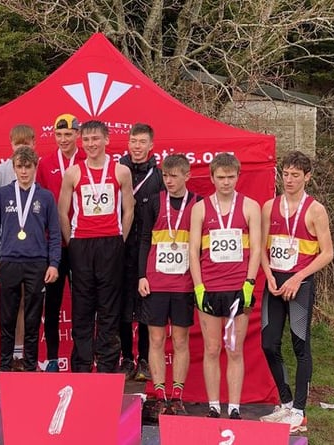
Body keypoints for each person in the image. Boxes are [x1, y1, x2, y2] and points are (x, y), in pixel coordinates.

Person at [259, 151, 334, 433]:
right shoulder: (270, 206)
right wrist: (267, 275)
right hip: (275, 281)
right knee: (268, 343)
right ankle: (287, 403)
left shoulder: (315, 210)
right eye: (285, 174)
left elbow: (327, 253)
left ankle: (300, 412)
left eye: (295, 175)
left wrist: (298, 277)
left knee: (300, 345)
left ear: (307, 177)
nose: (288, 180)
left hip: (299, 283)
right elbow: (261, 248)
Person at [189, 153, 261, 420]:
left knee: (234, 350)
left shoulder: (250, 206)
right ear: (212, 178)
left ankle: (234, 407)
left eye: (231, 177)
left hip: (237, 289)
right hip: (209, 288)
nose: (226, 182)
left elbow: (255, 249)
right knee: (211, 349)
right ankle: (213, 405)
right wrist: (198, 288)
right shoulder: (200, 209)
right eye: (221, 177)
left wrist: (249, 283)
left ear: (237, 176)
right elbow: (192, 251)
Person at [58, 120, 134, 373]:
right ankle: (80, 366)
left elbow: (129, 209)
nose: (91, 144)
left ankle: (107, 365)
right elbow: (62, 212)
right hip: (82, 244)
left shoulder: (121, 170)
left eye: (96, 139)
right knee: (82, 306)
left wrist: (119, 239)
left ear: (107, 140)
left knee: (109, 307)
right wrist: (72, 243)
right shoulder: (73, 173)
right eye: (87, 139)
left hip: (111, 243)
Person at [0, 146, 61, 388]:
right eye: (20, 167)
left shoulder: (46, 197)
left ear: (34, 168)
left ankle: (30, 368)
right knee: (7, 318)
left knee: (32, 319)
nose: (24, 172)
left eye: (28, 167)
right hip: (9, 261)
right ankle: (3, 368)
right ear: (14, 168)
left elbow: (55, 234)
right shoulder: (3, 194)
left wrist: (54, 264)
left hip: (36, 264)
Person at [137, 155, 200, 418]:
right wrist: (141, 275)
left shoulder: (198, 204)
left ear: (187, 176)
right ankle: (160, 394)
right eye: (165, 176)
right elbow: (143, 240)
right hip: (157, 281)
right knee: (156, 339)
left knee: (181, 340)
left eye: (174, 176)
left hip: (184, 283)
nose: (169, 181)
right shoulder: (154, 202)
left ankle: (178, 395)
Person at [0, 124, 36, 373]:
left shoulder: (38, 168)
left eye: (26, 143)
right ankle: (10, 356)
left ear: (33, 144)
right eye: (18, 144)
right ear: (11, 145)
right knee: (9, 305)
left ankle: (24, 355)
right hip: (7, 251)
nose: (22, 148)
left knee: (29, 304)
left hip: (33, 252)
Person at [36, 113, 86, 372]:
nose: (64, 139)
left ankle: (82, 358)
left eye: (68, 134)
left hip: (82, 241)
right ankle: (53, 357)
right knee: (52, 303)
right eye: (59, 135)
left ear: (77, 134)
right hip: (53, 245)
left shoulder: (87, 159)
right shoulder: (44, 163)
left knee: (83, 301)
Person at [118, 123, 164, 381]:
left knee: (147, 305)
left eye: (142, 142)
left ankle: (144, 359)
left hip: (148, 249)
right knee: (122, 304)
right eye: (133, 141)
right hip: (121, 248)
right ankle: (126, 358)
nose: (137, 146)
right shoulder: (117, 171)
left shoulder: (158, 176)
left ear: (151, 145)